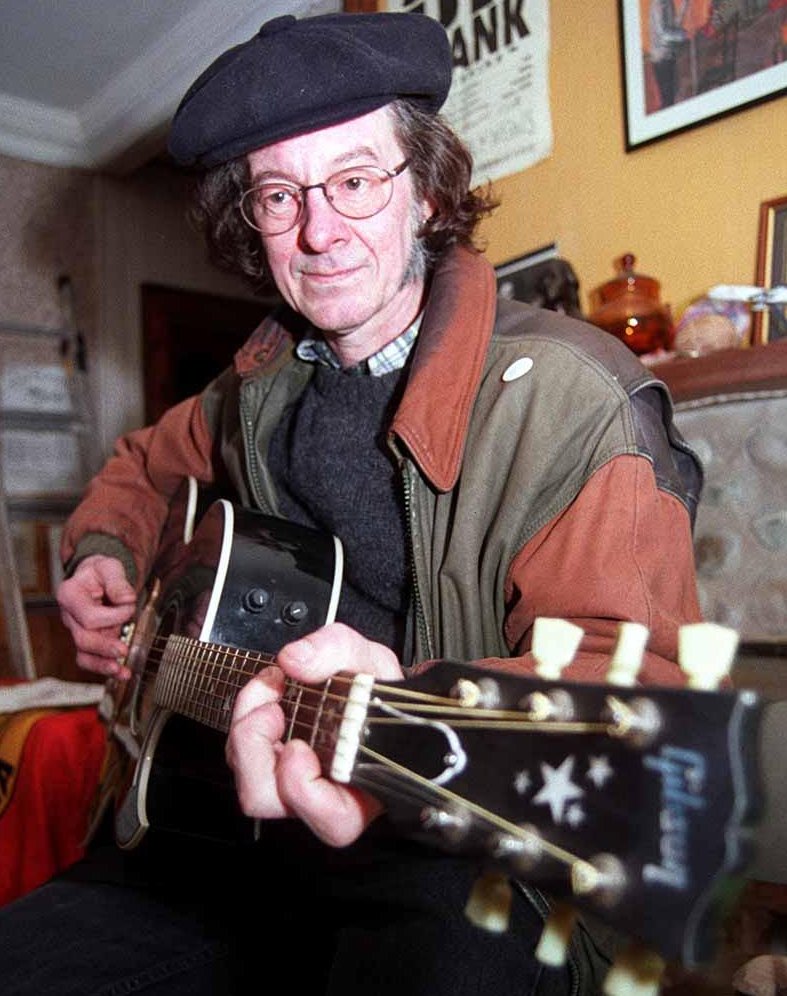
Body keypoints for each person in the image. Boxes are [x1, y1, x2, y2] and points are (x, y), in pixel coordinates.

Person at [0, 11, 704, 996]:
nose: (319, 230)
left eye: (355, 180)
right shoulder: (259, 381)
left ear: (425, 191)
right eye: (279, 194)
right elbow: (140, 466)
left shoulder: (569, 400)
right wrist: (101, 557)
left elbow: (633, 721)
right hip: (224, 834)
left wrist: (403, 719)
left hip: (465, 867)